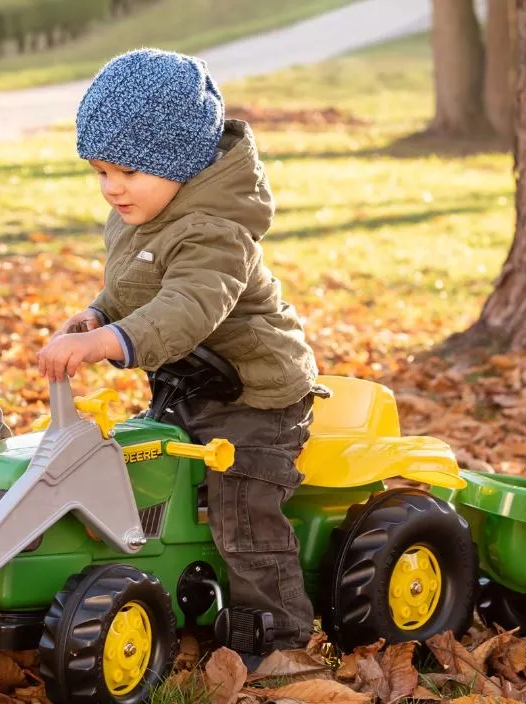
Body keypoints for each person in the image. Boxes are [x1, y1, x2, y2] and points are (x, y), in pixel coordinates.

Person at [37, 48, 327, 653]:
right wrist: (101, 312)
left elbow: (188, 306)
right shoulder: (146, 211)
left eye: (128, 172)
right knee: (139, 474)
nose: (112, 188)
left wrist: (109, 341)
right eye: (99, 171)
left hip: (256, 400)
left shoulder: (216, 232)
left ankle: (277, 642)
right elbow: (138, 286)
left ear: (181, 164)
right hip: (190, 390)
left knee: (242, 511)